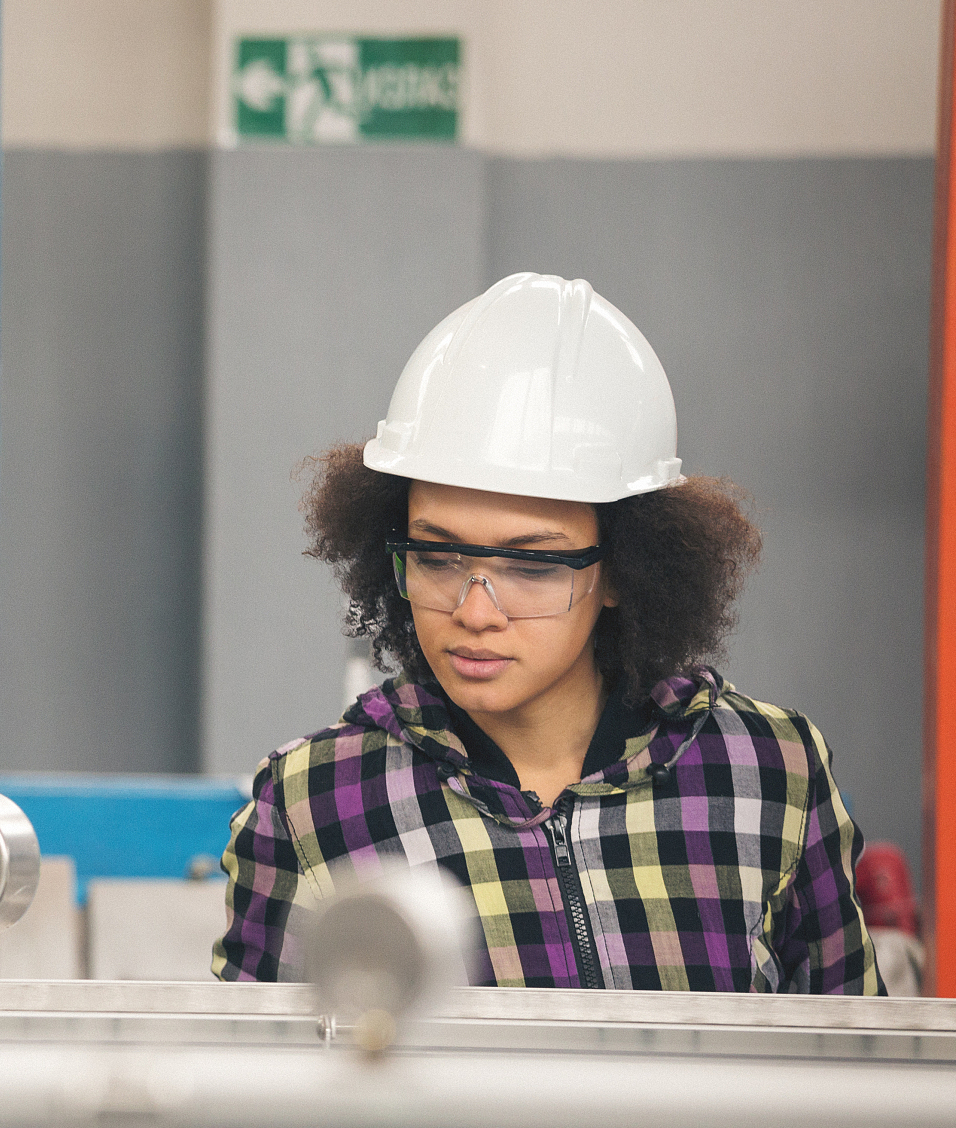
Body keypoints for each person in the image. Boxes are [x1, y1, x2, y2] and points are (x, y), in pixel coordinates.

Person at [215, 272, 880, 993]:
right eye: (436, 557)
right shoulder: (313, 803)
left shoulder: (769, 771)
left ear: (622, 568)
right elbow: (253, 1062)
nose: (475, 612)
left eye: (531, 565)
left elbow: (851, 1051)